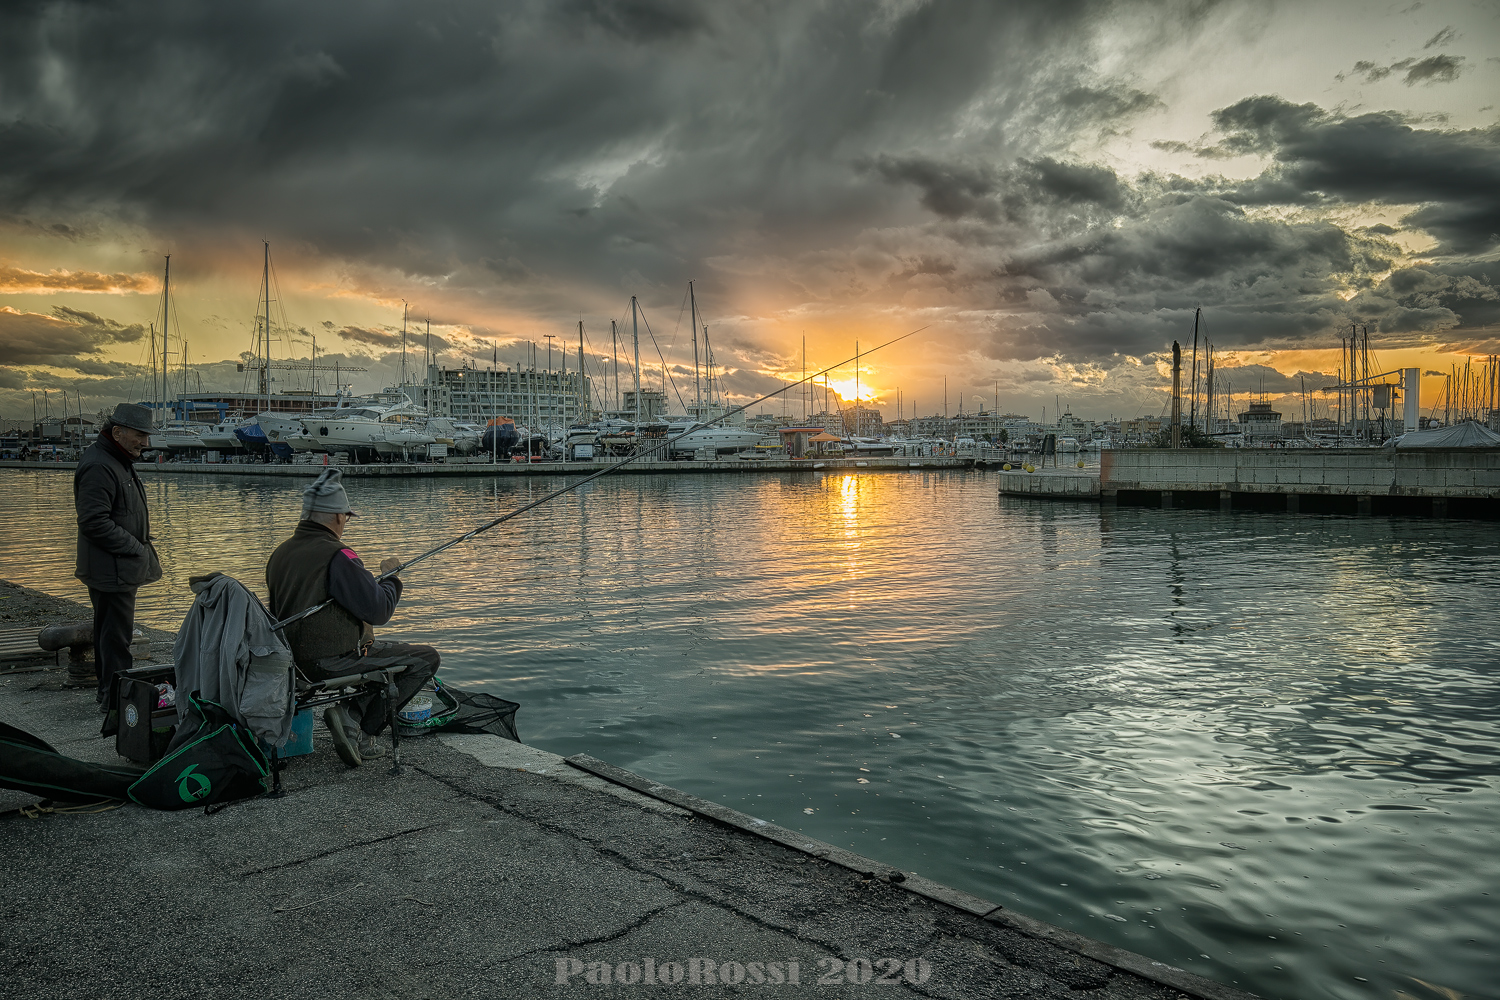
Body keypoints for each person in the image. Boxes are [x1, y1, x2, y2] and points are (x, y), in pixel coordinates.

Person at [265, 468, 438, 767]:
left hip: (289, 662)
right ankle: (357, 725)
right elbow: (379, 610)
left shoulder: (280, 553)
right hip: (329, 662)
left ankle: (350, 716)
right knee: (425, 658)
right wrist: (392, 579)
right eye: (346, 517)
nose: (345, 523)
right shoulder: (339, 555)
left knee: (380, 650)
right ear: (336, 517)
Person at [73, 402, 162, 702]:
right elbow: (93, 522)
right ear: (118, 432)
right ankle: (117, 702)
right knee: (116, 639)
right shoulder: (100, 464)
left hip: (114, 566)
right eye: (140, 434)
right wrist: (135, 546)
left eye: (146, 436)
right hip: (111, 569)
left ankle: (110, 696)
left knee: (110, 636)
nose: (145, 443)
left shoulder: (115, 459)